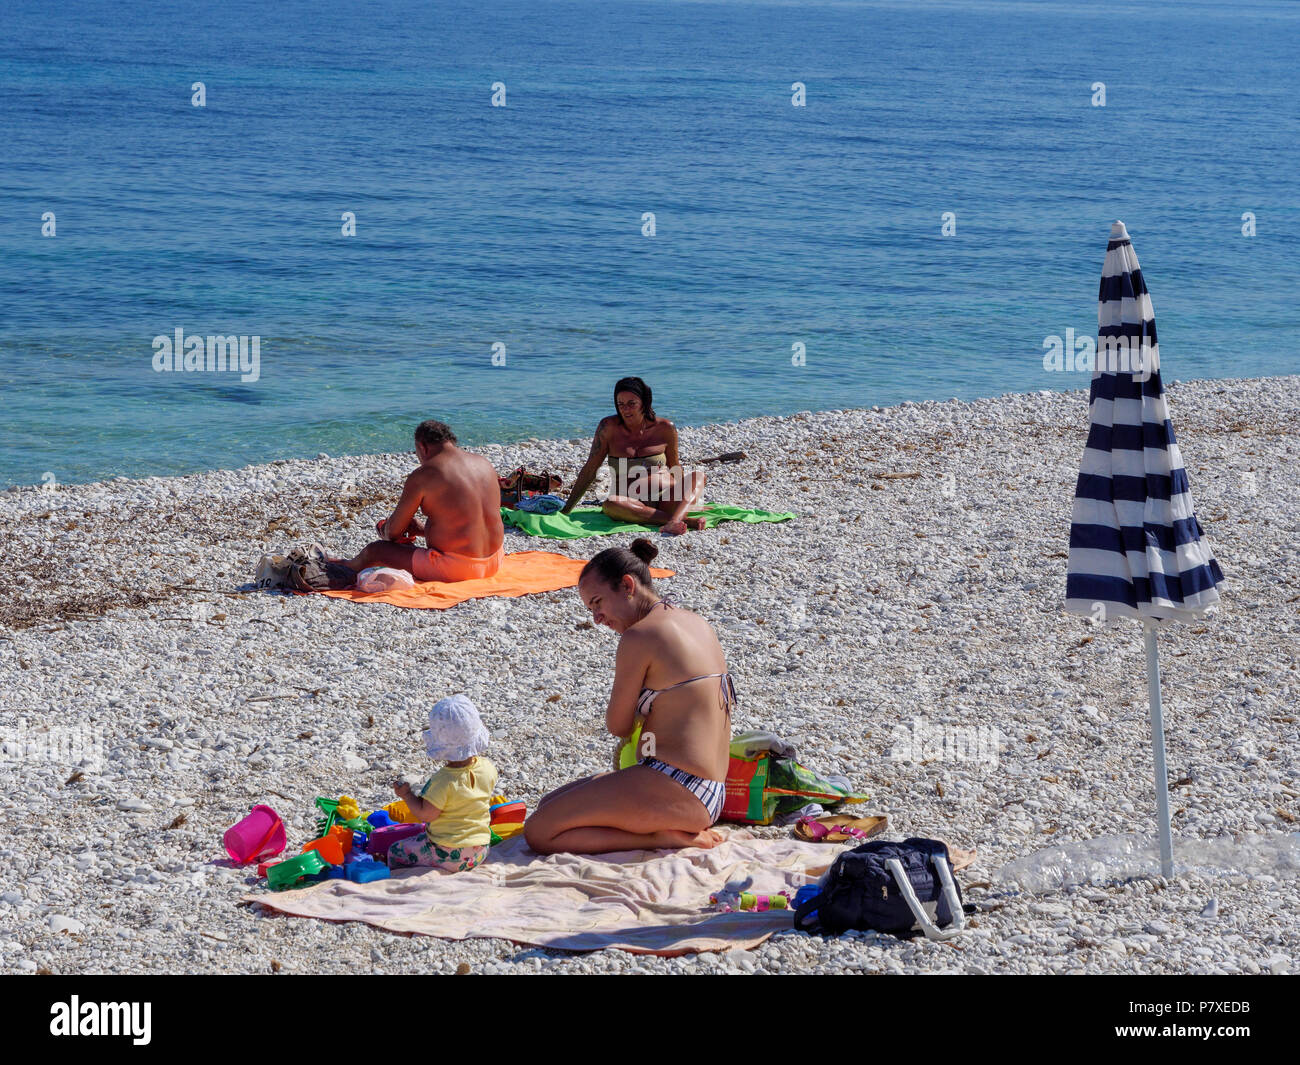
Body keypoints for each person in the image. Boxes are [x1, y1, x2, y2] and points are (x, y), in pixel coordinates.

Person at [524, 539, 734, 854]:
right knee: (548, 805)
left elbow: (618, 725)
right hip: (710, 789)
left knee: (539, 831)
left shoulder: (640, 635)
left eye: (597, 603)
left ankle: (660, 837)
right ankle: (665, 828)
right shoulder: (696, 622)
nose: (596, 618)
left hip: (680, 787)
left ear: (626, 585)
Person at [338, 419, 505, 582]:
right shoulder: (483, 463)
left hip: (459, 569)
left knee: (375, 551)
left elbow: (393, 532)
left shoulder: (425, 474)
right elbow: (472, 523)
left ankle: (342, 567)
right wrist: (422, 530)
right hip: (495, 561)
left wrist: (385, 530)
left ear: (422, 447)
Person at [559, 377, 709, 535]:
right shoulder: (608, 428)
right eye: (620, 404)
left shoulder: (665, 428)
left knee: (698, 476)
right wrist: (566, 509)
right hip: (630, 502)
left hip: (666, 498)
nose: (625, 409)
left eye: (632, 404)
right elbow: (590, 469)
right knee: (610, 504)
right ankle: (677, 521)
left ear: (644, 402)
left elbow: (674, 468)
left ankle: (675, 518)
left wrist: (686, 501)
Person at [388, 694, 499, 872]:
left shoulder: (443, 781)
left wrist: (407, 796)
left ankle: (400, 875)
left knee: (396, 850)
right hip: (480, 850)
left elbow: (426, 815)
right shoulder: (488, 768)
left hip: (448, 853)